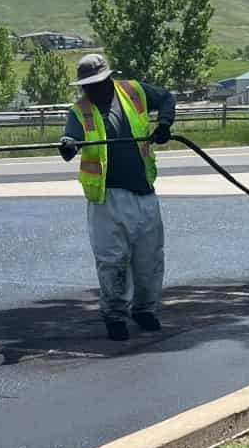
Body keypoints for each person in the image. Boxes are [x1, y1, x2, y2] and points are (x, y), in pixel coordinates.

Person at [57, 54, 176, 341]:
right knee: (112, 260)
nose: (91, 90)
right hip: (107, 199)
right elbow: (71, 139)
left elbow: (166, 99)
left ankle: (145, 309)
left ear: (108, 79)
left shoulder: (134, 91)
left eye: (96, 83)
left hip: (144, 191)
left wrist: (164, 124)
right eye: (87, 86)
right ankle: (114, 315)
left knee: (149, 258)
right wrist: (68, 146)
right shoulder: (80, 111)